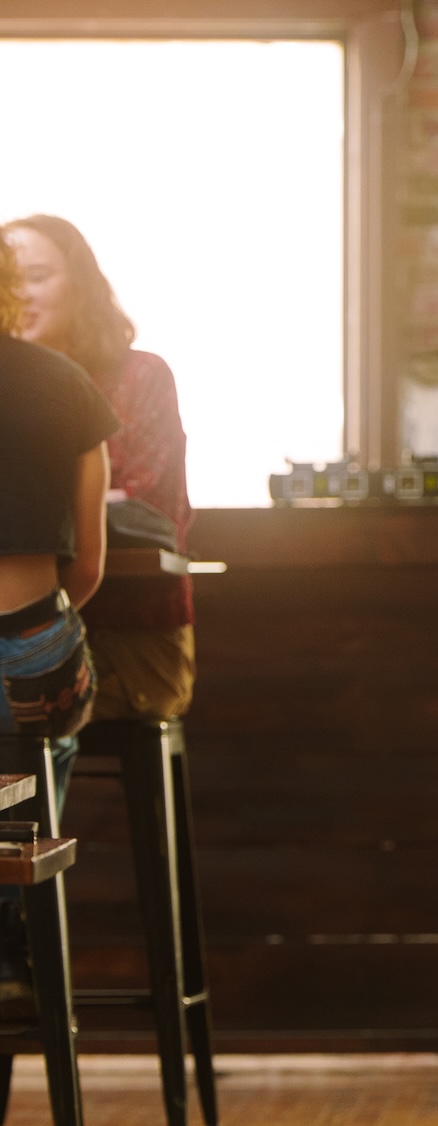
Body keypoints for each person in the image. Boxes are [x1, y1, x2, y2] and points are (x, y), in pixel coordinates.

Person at [4, 216, 194, 721]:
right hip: (38, 632)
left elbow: (150, 506)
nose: (21, 294)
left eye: (38, 276)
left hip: (129, 639)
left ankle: (33, 792)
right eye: (9, 279)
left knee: (30, 703)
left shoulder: (142, 376)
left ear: (83, 287)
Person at [0, 217, 115, 997]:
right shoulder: (68, 384)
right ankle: (18, 898)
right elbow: (92, 565)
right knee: (37, 741)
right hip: (28, 649)